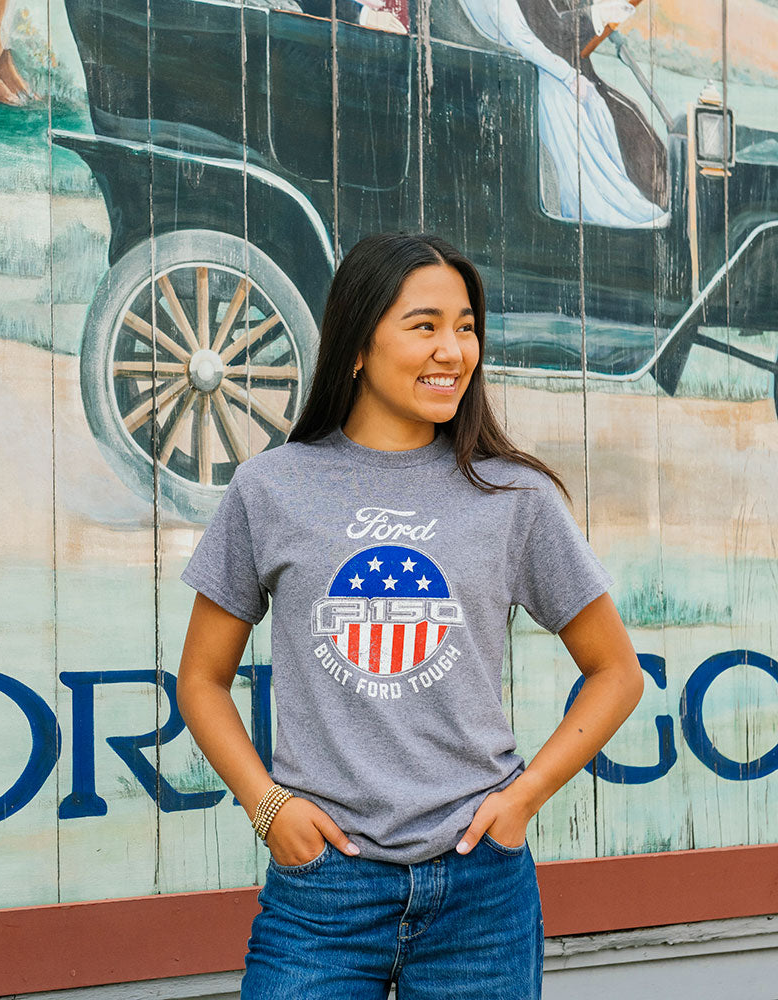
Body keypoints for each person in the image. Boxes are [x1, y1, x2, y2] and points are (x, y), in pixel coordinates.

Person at [176, 231, 644, 998]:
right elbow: (201, 679)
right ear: (358, 345)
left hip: (479, 889)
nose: (452, 351)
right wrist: (269, 810)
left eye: (466, 327)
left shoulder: (513, 497)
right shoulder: (271, 488)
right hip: (323, 891)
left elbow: (616, 674)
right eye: (424, 326)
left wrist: (521, 800)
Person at [456, 0, 670, 227]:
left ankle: (625, 203)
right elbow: (523, 38)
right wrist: (568, 76)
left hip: (534, 70)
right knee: (580, 126)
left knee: (600, 108)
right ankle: (608, 211)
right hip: (533, 75)